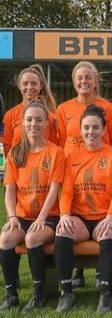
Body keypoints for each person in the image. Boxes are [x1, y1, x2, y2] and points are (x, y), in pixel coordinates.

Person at [53, 105, 112, 313]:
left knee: (108, 233)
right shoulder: (72, 157)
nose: (90, 132)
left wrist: (111, 217)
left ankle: (106, 294)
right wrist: (65, 214)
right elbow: (66, 191)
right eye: (86, 127)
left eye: (95, 127)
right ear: (80, 129)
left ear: (104, 130)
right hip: (81, 218)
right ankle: (66, 292)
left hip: (106, 216)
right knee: (62, 230)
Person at [0, 101, 64, 313]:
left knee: (32, 238)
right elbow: (9, 190)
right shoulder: (15, 153)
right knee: (6, 238)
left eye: (39, 119)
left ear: (46, 123)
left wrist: (41, 217)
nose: (33, 124)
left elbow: (55, 189)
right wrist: (12, 217)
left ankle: (39, 295)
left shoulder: (55, 152)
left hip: (49, 217)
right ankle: (12, 294)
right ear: (22, 123)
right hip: (22, 216)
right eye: (29, 119)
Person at [55, 61, 112, 156]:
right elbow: (61, 141)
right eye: (79, 78)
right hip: (73, 165)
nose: (84, 81)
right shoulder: (62, 109)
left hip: (100, 164)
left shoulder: (108, 107)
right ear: (74, 82)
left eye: (88, 78)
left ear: (95, 82)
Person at [3, 65, 58, 156]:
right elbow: (5, 146)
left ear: (40, 86)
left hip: (43, 168)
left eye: (34, 83)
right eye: (25, 83)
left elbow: (54, 148)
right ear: (19, 86)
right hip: (17, 167)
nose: (29, 87)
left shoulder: (51, 117)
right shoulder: (9, 115)